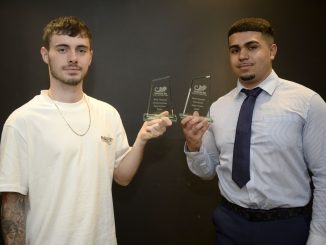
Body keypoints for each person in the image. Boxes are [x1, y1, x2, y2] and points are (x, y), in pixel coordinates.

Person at [0, 16, 172, 245]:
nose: (73, 58)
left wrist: (141, 140)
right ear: (45, 54)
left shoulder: (107, 113)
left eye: (81, 50)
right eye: (62, 49)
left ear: (90, 56)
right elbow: (12, 203)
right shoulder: (22, 121)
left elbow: (122, 177)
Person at [181, 17, 326, 245]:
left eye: (252, 47)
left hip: (287, 228)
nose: (242, 56)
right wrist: (194, 145)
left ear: (272, 50)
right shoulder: (218, 107)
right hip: (229, 224)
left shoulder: (307, 102)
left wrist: (319, 236)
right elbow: (207, 171)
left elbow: (324, 174)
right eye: (234, 50)